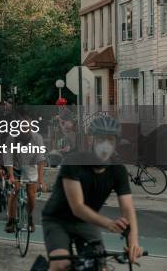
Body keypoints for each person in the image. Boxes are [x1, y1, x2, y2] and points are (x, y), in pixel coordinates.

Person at [41, 116, 143, 271]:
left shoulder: (118, 170)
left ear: (116, 143)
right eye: (101, 139)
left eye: (110, 140)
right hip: (58, 219)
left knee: (99, 265)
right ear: (91, 140)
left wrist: (133, 241)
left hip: (86, 222)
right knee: (61, 264)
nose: (105, 145)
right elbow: (78, 207)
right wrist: (108, 223)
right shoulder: (73, 162)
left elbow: (128, 208)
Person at [4, 112, 46, 234]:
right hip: (16, 166)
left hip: (30, 166)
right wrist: (11, 176)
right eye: (22, 127)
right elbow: (8, 157)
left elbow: (40, 159)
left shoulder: (37, 138)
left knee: (31, 194)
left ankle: (31, 218)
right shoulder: (12, 137)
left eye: (27, 127)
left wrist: (40, 181)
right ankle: (11, 220)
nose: (24, 130)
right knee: (14, 191)